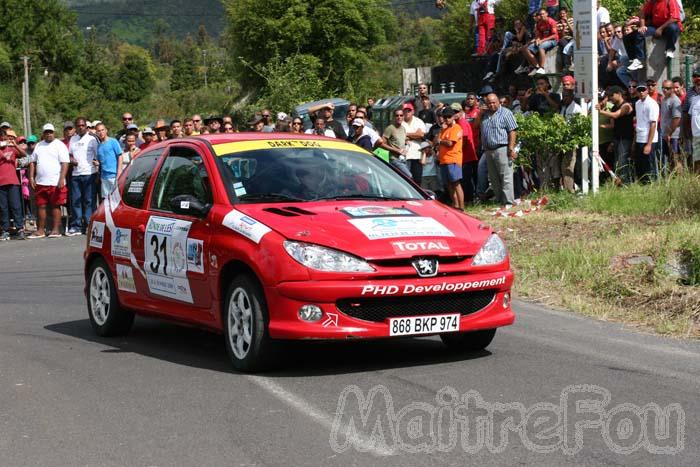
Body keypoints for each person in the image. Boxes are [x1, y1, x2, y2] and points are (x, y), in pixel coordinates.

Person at [28, 124, 70, 239]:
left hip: (55, 182)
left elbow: (65, 163)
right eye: (46, 132)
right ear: (43, 133)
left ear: (54, 132)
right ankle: (40, 230)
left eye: (50, 132)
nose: (49, 134)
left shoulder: (59, 145)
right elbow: (32, 162)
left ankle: (56, 230)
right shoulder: (39, 146)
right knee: (41, 206)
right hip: (41, 182)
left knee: (55, 206)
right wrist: (31, 177)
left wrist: (62, 178)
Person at [480, 93, 518, 206]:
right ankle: (500, 200)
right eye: (489, 103)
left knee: (505, 176)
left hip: (502, 148)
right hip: (488, 150)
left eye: (493, 102)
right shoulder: (485, 115)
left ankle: (508, 201)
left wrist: (511, 148)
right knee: (493, 177)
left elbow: (512, 131)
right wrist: (480, 114)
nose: (491, 105)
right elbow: (476, 126)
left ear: (498, 101)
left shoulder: (506, 113)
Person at [66, 117, 98, 236]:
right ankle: (76, 226)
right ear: (76, 127)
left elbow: (97, 155)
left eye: (82, 125)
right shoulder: (73, 139)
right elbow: (69, 155)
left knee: (89, 201)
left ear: (86, 126)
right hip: (75, 174)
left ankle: (89, 224)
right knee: (76, 200)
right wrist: (71, 160)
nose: (80, 127)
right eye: (78, 126)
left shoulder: (92, 139)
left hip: (89, 173)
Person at [598, 86, 635, 183]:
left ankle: (626, 182)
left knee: (623, 162)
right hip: (617, 138)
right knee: (617, 163)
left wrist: (601, 111)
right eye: (608, 96)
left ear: (619, 94)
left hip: (625, 138)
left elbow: (616, 115)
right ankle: (620, 183)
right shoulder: (614, 107)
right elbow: (612, 125)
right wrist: (599, 126)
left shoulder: (626, 106)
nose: (610, 98)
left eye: (612, 95)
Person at [0, 129, 27, 240]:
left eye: (5, 137)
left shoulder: (12, 148)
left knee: (16, 206)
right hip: (1, 183)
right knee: (3, 208)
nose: (4, 139)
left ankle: (20, 229)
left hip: (13, 181)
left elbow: (24, 154)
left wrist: (15, 145)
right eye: (1, 137)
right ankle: (5, 230)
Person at [437, 107, 464, 209]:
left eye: (449, 117)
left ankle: (461, 207)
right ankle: (455, 205)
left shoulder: (456, 128)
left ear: (453, 117)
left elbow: (449, 143)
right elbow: (436, 141)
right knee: (448, 184)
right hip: (443, 160)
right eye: (445, 117)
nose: (447, 119)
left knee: (456, 183)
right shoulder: (444, 129)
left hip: (453, 160)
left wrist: (440, 141)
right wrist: (441, 131)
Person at [634, 83, 660, 181]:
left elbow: (653, 124)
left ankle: (652, 185)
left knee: (649, 165)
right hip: (639, 137)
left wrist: (649, 144)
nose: (641, 92)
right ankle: (643, 185)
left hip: (649, 139)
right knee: (641, 165)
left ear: (647, 90)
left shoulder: (652, 104)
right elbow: (638, 122)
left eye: (643, 90)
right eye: (639, 90)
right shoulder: (637, 103)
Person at [522, 9, 559, 76]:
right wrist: (538, 40)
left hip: (553, 41)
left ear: (547, 14)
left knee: (541, 46)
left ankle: (542, 68)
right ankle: (536, 67)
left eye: (543, 14)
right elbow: (538, 35)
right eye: (540, 14)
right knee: (525, 49)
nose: (542, 15)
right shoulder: (539, 23)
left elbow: (554, 35)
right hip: (543, 40)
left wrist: (542, 40)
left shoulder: (551, 21)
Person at [94, 123, 123, 199]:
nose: (101, 132)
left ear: (106, 130)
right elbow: (101, 161)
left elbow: (120, 156)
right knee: (106, 200)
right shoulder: (99, 146)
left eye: (102, 130)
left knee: (116, 199)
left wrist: (119, 172)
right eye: (98, 131)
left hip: (114, 176)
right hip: (104, 177)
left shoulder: (113, 141)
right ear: (96, 133)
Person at [380, 109, 411, 178]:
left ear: (403, 117)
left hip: (403, 158)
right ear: (394, 117)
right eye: (397, 115)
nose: (399, 117)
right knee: (409, 177)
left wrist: (407, 143)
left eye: (401, 115)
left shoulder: (403, 128)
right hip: (394, 159)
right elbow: (382, 144)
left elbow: (400, 140)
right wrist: (396, 150)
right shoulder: (390, 128)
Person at [660, 79, 682, 173]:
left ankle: (680, 179)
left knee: (675, 157)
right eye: (663, 88)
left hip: (674, 135)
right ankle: (672, 178)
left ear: (672, 89)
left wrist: (669, 133)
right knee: (669, 158)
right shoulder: (664, 99)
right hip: (665, 134)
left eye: (667, 88)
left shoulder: (675, 101)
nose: (665, 90)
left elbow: (677, 119)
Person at [401, 102, 426, 184]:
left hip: (417, 155)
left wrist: (406, 134)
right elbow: (399, 137)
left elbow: (421, 134)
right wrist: (415, 134)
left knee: (417, 180)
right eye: (405, 111)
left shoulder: (419, 121)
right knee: (406, 180)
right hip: (404, 155)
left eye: (409, 111)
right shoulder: (400, 122)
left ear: (413, 111)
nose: (407, 113)